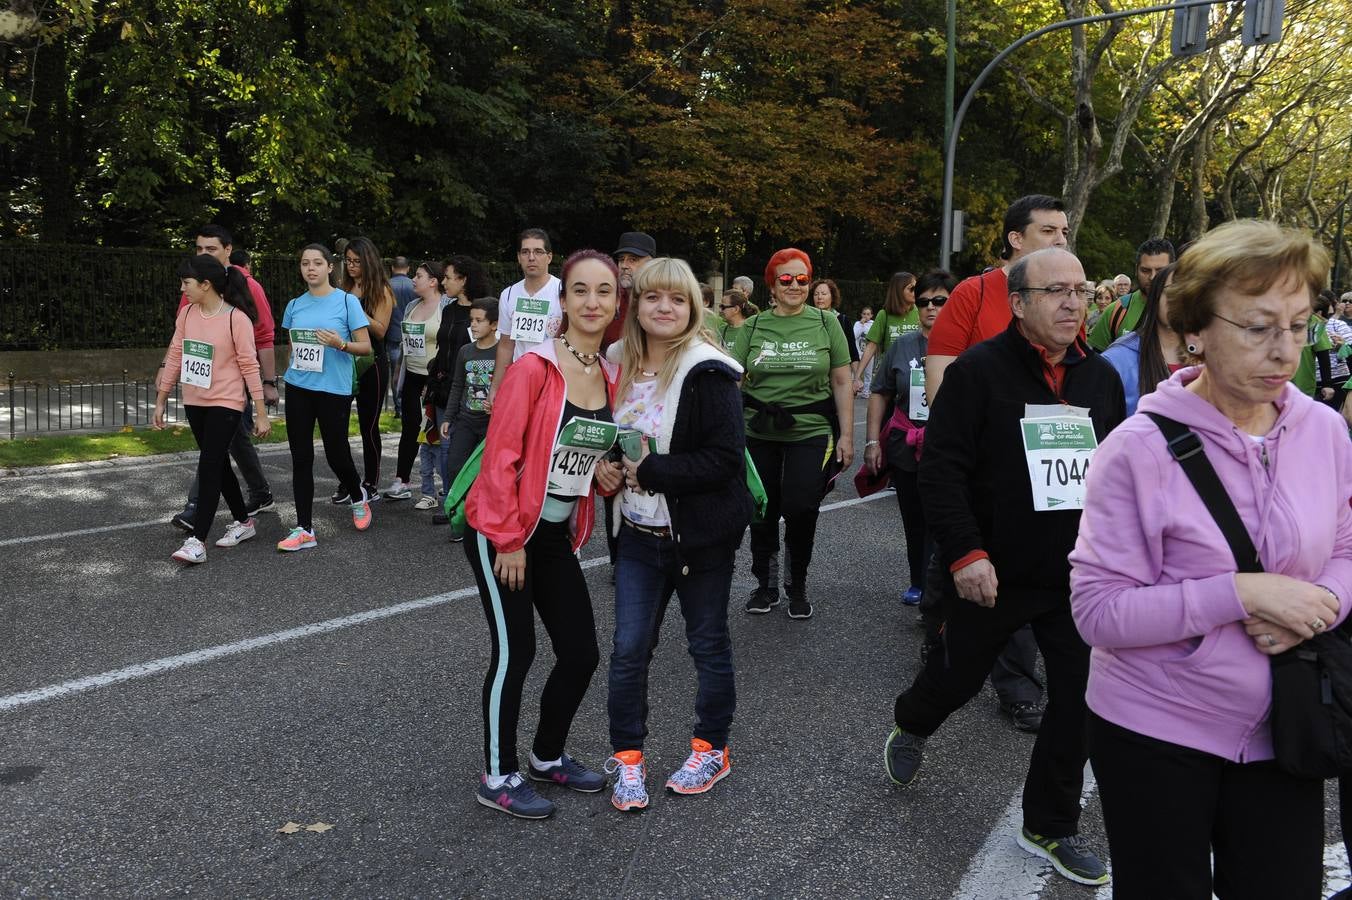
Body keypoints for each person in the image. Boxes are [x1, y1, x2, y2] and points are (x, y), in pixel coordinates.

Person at [1069, 219, 1352, 898]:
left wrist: (1319, 607)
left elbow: (1346, 544)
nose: (1283, 349)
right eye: (1258, 327)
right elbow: (1098, 612)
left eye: (1298, 323)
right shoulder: (1136, 449)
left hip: (1287, 727)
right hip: (1155, 730)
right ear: (1197, 327)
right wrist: (1245, 594)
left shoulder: (1324, 428)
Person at [884, 247, 1123, 888]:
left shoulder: (1100, 379)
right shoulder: (978, 372)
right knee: (956, 679)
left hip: (1075, 575)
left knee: (1082, 699)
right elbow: (942, 470)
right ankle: (913, 719)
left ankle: (1049, 823)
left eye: (1082, 289)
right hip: (992, 574)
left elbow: (1116, 479)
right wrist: (965, 553)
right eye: (1056, 291)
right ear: (1018, 303)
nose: (1074, 303)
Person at [464, 249, 621, 820]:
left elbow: (584, 461)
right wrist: (507, 539)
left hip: (554, 534)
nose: (592, 301)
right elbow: (500, 457)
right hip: (503, 531)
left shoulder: (607, 373)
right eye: (580, 290)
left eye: (604, 291)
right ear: (563, 300)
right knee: (517, 651)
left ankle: (546, 756)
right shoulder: (534, 368)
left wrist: (604, 478)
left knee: (581, 651)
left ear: (615, 303)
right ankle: (498, 775)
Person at [600, 257, 753, 812]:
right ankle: (628, 760)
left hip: (700, 538)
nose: (665, 308)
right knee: (628, 650)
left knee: (707, 645)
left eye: (678, 299)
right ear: (635, 306)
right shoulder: (616, 364)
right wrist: (608, 470)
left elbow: (724, 460)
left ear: (693, 308)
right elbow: (608, 440)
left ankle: (712, 747)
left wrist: (655, 470)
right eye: (653, 298)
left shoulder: (708, 370)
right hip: (637, 534)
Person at [922, 193, 1071, 731]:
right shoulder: (974, 292)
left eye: (1063, 231)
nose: (1060, 239)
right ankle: (944, 641)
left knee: (1027, 578)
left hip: (1039, 467)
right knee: (959, 567)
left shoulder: (1065, 302)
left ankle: (1017, 684)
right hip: (976, 464)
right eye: (1049, 231)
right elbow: (940, 371)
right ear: (1015, 238)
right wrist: (967, 438)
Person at [728, 248, 854, 620]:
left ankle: (796, 583)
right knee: (761, 507)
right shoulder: (752, 326)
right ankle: (765, 585)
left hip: (811, 429)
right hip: (759, 428)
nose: (795, 285)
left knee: (802, 506)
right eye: (786, 278)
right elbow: (733, 380)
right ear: (772, 283)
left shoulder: (825, 322)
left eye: (802, 279)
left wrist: (847, 436)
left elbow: (842, 379)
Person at [154, 255, 271, 562]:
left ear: (206, 285)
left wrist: (260, 412)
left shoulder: (237, 319)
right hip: (195, 400)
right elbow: (176, 355)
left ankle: (197, 541)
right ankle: (244, 522)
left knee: (208, 465)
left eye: (187, 283)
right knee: (217, 464)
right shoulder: (188, 315)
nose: (182, 289)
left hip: (227, 402)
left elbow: (249, 366)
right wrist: (162, 398)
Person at [171, 224, 276, 533]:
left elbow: (265, 335)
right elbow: (182, 336)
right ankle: (257, 497)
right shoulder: (192, 289)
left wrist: (268, 384)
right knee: (235, 442)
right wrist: (168, 367)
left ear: (228, 250)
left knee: (214, 452)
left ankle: (195, 512)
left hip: (235, 384)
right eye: (199, 248)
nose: (204, 254)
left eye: (211, 249)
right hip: (200, 387)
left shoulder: (248, 288)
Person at [864, 270, 956, 606]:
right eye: (923, 302)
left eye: (940, 301)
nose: (931, 307)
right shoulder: (902, 346)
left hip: (949, 447)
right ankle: (918, 581)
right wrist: (872, 441)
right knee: (914, 519)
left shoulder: (969, 344)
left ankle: (941, 583)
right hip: (907, 444)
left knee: (944, 518)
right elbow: (880, 392)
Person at [277, 244, 374, 551]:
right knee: (301, 457)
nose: (311, 268)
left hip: (333, 389)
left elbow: (366, 347)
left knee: (336, 454)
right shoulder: (294, 305)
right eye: (305, 263)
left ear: (330, 267)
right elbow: (293, 347)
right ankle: (304, 528)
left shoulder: (347, 302)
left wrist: (339, 343)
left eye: (317, 263)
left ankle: (358, 495)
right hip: (299, 387)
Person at [383, 260, 451, 503]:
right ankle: (402, 480)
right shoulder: (412, 304)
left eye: (419, 276)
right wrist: (398, 370)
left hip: (437, 379)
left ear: (433, 281)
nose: (413, 279)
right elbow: (406, 342)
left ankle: (446, 483)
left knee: (441, 430)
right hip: (412, 374)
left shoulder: (447, 305)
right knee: (410, 426)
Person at [438, 297, 499, 537]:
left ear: (494, 324)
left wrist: (498, 405)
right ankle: (460, 516)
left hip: (490, 424)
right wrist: (448, 417)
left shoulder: (503, 351)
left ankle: (485, 518)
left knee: (488, 473)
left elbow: (510, 388)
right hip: (465, 420)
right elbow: (457, 386)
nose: (473, 325)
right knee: (454, 466)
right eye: (471, 320)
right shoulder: (466, 351)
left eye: (479, 320)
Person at [339, 237, 394, 501]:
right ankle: (346, 480)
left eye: (356, 261)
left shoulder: (381, 290)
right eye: (347, 261)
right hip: (345, 360)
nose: (351, 266)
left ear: (368, 261)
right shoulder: (344, 288)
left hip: (373, 362)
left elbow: (381, 330)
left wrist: (355, 308)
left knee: (368, 426)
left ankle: (371, 481)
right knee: (336, 424)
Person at [488, 228, 562, 405]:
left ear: (549, 257)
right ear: (519, 257)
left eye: (538, 251)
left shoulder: (563, 292)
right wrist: (496, 388)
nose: (531, 257)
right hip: (521, 380)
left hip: (555, 380)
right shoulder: (508, 294)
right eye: (525, 252)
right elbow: (506, 345)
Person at [1101, 263, 1181, 417]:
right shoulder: (1117, 361)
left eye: (1191, 293)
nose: (1181, 300)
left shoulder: (1213, 358)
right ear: (1155, 298)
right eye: (1172, 292)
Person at [1088, 238, 1176, 350]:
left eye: (1160, 271)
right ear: (1136, 270)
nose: (1152, 277)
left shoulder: (1190, 311)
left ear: (1174, 271)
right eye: (1145, 270)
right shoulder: (1117, 310)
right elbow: (1097, 360)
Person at [853, 272, 917, 394]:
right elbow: (871, 347)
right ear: (898, 290)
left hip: (913, 375)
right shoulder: (884, 314)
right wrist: (857, 377)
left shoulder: (920, 312)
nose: (916, 291)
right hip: (888, 375)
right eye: (911, 288)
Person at [605, 232, 656, 350]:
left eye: (633, 260)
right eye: (621, 259)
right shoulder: (609, 299)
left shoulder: (661, 304)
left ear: (651, 264)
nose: (624, 265)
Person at [811, 278, 861, 383]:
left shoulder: (842, 320)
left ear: (832, 297)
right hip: (814, 377)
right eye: (816, 294)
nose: (819, 297)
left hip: (838, 376)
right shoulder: (807, 321)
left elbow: (852, 351)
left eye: (824, 294)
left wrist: (857, 378)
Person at [386, 256, 416, 417]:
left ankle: (399, 408)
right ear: (408, 268)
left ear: (392, 268)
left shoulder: (387, 286)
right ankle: (412, 404)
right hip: (413, 334)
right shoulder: (415, 285)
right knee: (413, 371)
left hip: (393, 333)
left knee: (395, 372)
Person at [854, 305, 875, 397]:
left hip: (869, 352)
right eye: (864, 314)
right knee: (855, 372)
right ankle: (854, 389)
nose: (866, 316)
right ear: (861, 314)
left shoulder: (873, 324)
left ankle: (866, 391)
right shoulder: (857, 324)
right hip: (858, 352)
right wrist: (861, 325)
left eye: (868, 314)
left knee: (868, 373)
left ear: (871, 315)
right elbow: (854, 335)